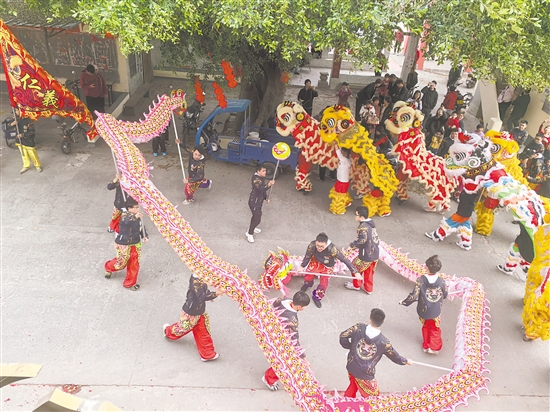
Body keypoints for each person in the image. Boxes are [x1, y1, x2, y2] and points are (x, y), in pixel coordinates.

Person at [339, 308, 412, 398]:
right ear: (382, 322)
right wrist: (406, 361)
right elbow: (395, 357)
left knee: (354, 383)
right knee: (373, 396)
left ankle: (346, 401)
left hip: (352, 364)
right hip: (365, 373)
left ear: (370, 319)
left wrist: (351, 347)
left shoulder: (358, 327)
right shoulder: (384, 342)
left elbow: (343, 336)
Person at [163, 274, 224, 361]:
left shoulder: (200, 277)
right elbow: (202, 296)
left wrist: (210, 294)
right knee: (182, 328)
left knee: (203, 332)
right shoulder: (196, 282)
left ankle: (207, 354)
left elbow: (204, 291)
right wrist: (216, 294)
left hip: (200, 311)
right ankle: (168, 331)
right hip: (191, 313)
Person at [262, 291, 310, 391]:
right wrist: (303, 357)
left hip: (273, 331)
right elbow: (294, 339)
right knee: (283, 364)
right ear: (299, 307)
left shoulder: (284, 300)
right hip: (282, 340)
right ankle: (269, 379)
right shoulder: (292, 320)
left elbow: (273, 303)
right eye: (304, 307)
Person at [399, 255, 448, 354]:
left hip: (424, 309)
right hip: (435, 309)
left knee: (426, 326)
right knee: (434, 328)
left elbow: (414, 295)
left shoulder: (421, 280)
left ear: (427, 268)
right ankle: (434, 347)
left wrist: (404, 302)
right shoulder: (441, 281)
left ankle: (426, 345)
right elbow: (445, 294)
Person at [298, 232, 359, 308]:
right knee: (308, 276)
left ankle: (317, 297)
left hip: (328, 266)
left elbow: (345, 260)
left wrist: (355, 272)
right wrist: (302, 266)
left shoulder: (333, 249)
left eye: (322, 246)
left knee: (324, 284)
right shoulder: (312, 245)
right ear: (316, 242)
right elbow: (307, 256)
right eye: (318, 245)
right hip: (316, 261)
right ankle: (308, 284)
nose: (319, 248)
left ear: (326, 244)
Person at [104, 197, 149, 290]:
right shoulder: (125, 216)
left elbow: (141, 227)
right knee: (121, 262)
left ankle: (130, 283)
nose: (137, 209)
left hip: (135, 243)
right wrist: (136, 217)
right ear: (129, 208)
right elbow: (127, 222)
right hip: (124, 243)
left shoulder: (138, 216)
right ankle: (108, 267)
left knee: (134, 263)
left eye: (138, 207)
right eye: (135, 207)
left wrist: (145, 236)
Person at [344, 206, 380, 294]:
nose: (355, 216)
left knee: (355, 267)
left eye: (356, 215)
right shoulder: (371, 223)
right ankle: (368, 288)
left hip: (365, 254)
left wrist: (352, 246)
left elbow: (362, 240)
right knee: (369, 272)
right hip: (374, 253)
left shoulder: (363, 227)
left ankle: (356, 285)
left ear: (361, 217)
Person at [246, 163, 274, 243]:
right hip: (254, 202)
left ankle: (252, 228)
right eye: (263, 171)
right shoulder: (256, 179)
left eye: (265, 171)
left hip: (259, 201)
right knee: (257, 219)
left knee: (255, 217)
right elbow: (261, 189)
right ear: (258, 171)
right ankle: (249, 233)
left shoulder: (261, 178)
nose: (265, 172)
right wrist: (269, 185)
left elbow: (262, 192)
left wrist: (266, 197)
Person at [10, 107, 41, 174]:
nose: (16, 112)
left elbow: (32, 132)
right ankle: (26, 166)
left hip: (28, 140)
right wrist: (12, 124)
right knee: (23, 154)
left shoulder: (29, 119)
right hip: (19, 140)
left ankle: (37, 166)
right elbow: (6, 126)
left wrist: (22, 135)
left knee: (32, 154)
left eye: (17, 110)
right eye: (15, 110)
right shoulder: (15, 118)